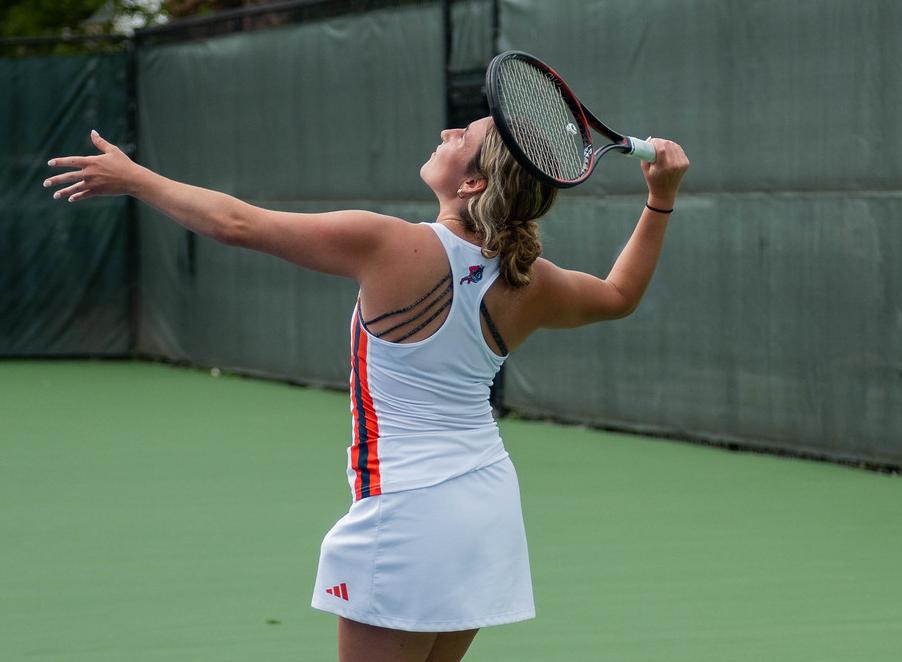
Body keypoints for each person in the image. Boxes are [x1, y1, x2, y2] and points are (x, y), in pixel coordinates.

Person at [44, 118, 688, 662]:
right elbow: (617, 296)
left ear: (472, 183)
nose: (448, 130)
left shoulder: (389, 243)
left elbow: (238, 224)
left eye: (466, 134)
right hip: (485, 511)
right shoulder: (530, 280)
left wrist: (135, 178)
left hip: (408, 517)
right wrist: (659, 199)